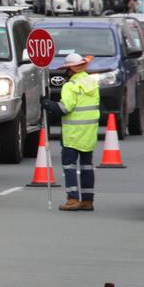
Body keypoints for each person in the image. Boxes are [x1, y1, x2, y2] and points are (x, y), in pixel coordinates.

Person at [42, 52, 101, 212]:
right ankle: (88, 201)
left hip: (73, 134)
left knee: (69, 166)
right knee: (87, 167)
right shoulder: (92, 84)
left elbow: (64, 108)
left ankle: (73, 199)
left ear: (71, 71)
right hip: (89, 133)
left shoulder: (70, 86)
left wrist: (48, 104)